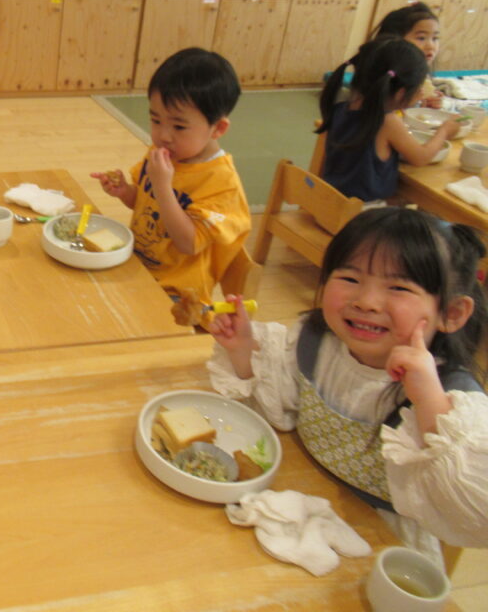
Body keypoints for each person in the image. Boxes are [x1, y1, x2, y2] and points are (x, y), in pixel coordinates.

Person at [208, 208, 488, 559]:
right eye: (350, 279)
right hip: (300, 494)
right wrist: (243, 348)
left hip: (383, 538)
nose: (365, 302)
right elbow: (280, 404)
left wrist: (430, 401)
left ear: (451, 313)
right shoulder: (316, 341)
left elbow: (478, 513)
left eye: (399, 287)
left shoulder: (453, 401)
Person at [90, 47, 250, 308]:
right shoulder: (165, 153)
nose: (163, 135)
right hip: (136, 265)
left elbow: (188, 243)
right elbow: (145, 202)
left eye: (179, 126)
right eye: (156, 120)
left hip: (178, 293)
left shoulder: (222, 185)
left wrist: (163, 186)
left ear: (218, 128)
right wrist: (125, 192)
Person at [318, 37, 461, 204]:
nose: (421, 93)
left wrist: (409, 104)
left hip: (330, 201)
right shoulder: (388, 122)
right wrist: (444, 131)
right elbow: (420, 157)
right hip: (362, 211)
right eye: (418, 89)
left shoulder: (341, 108)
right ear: (401, 93)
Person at [372, 1, 443, 108]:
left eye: (435, 38)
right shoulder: (381, 76)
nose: (431, 46)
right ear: (395, 40)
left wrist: (425, 104)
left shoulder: (420, 74)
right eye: (421, 38)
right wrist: (406, 105)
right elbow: (377, 112)